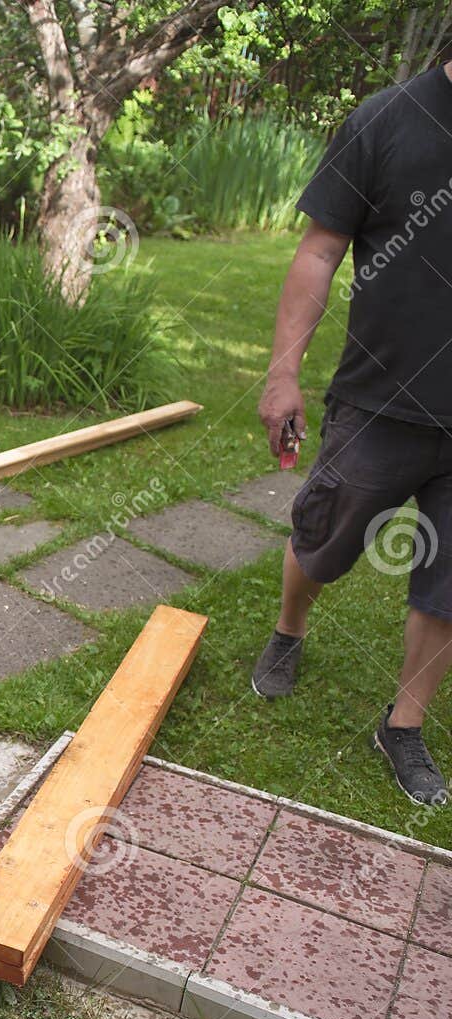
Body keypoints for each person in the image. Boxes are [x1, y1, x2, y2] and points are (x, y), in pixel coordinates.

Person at [254, 59, 452, 806]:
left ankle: (404, 724)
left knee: (448, 584)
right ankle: (289, 628)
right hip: (380, 399)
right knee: (321, 538)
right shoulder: (386, 119)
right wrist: (281, 373)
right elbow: (319, 251)